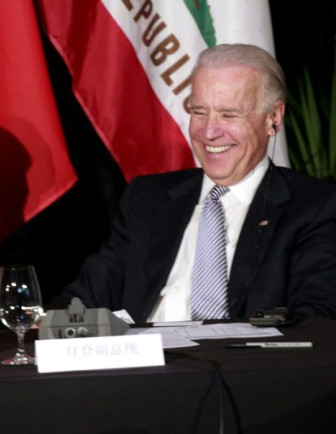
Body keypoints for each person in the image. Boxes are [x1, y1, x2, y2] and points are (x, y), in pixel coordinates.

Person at [54, 43, 336, 323]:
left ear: (273, 118)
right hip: (139, 361)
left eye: (229, 114)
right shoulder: (147, 199)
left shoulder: (313, 208)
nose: (209, 132)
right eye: (199, 112)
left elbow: (316, 321)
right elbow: (81, 302)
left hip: (240, 365)